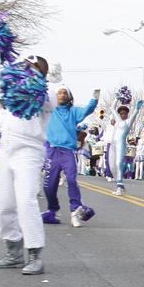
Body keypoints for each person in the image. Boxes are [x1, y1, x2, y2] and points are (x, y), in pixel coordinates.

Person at [0, 39, 52, 275]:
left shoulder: (43, 94)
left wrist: (39, 81)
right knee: (1, 202)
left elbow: (52, 93)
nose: (26, 70)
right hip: (6, 147)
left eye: (33, 69)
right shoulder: (7, 87)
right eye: (24, 66)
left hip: (29, 151)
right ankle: (13, 251)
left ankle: (35, 254)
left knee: (26, 201)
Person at [41, 83, 100, 226]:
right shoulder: (50, 110)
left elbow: (87, 110)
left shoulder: (73, 111)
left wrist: (94, 98)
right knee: (49, 185)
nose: (61, 95)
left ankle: (75, 211)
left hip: (67, 152)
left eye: (64, 93)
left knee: (72, 180)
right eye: (59, 93)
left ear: (68, 96)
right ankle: (52, 211)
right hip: (52, 150)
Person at [110, 101, 144, 195]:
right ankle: (120, 185)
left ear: (127, 114)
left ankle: (119, 188)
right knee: (112, 167)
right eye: (121, 113)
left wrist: (137, 109)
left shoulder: (128, 122)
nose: (122, 115)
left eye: (124, 113)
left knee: (118, 164)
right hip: (113, 145)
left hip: (121, 145)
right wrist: (117, 98)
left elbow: (134, 115)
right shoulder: (117, 121)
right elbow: (112, 108)